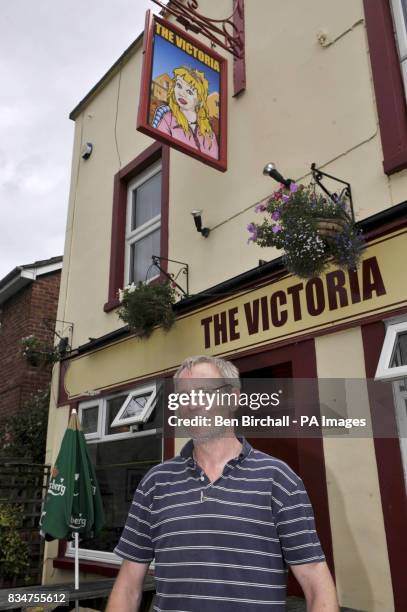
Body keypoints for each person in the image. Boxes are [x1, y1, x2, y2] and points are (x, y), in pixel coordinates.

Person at [106, 355, 339, 612]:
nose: (192, 404)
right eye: (183, 396)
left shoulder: (279, 480)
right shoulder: (155, 484)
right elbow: (128, 585)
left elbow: (317, 583)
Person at [152, 66, 219, 159]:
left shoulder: (208, 132)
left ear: (199, 101)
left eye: (189, 92)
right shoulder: (167, 120)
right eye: (179, 86)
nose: (182, 93)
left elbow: (215, 160)